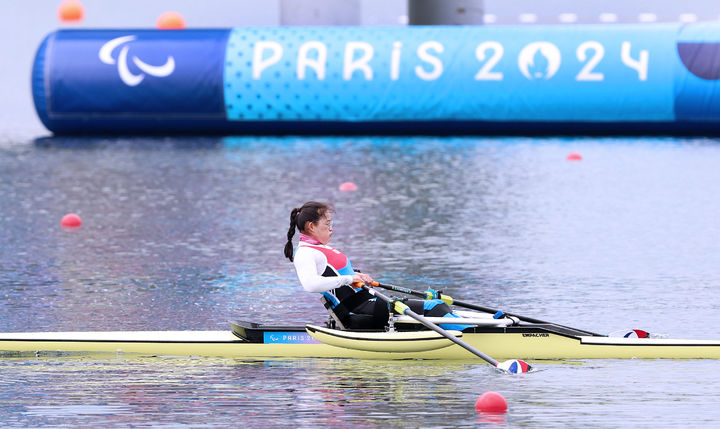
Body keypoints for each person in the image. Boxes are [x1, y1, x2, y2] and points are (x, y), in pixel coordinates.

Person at [284, 201, 463, 330]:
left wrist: (357, 276)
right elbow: (311, 285)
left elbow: (335, 275)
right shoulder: (306, 253)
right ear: (311, 226)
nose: (331, 228)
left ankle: (469, 328)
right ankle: (473, 333)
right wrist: (349, 278)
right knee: (435, 307)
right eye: (327, 224)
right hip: (357, 312)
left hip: (366, 303)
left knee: (437, 306)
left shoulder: (319, 249)